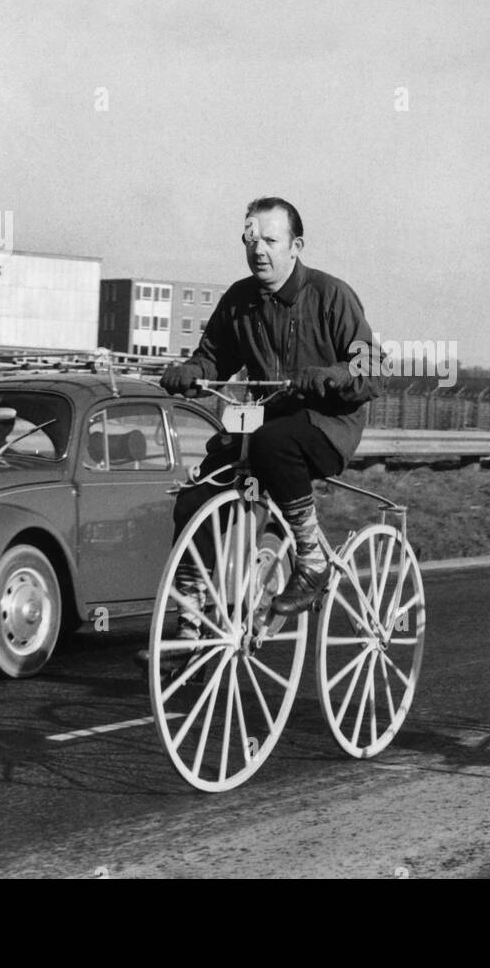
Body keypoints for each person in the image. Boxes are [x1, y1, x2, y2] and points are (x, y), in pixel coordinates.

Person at [146, 197, 380, 653]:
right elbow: (214, 356)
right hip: (264, 422)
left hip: (327, 425)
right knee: (197, 494)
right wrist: (194, 371)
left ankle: (311, 560)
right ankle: (190, 624)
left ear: (296, 245)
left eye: (271, 240)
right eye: (251, 240)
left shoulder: (332, 296)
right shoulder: (239, 300)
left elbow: (370, 369)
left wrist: (330, 376)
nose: (259, 251)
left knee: (273, 442)